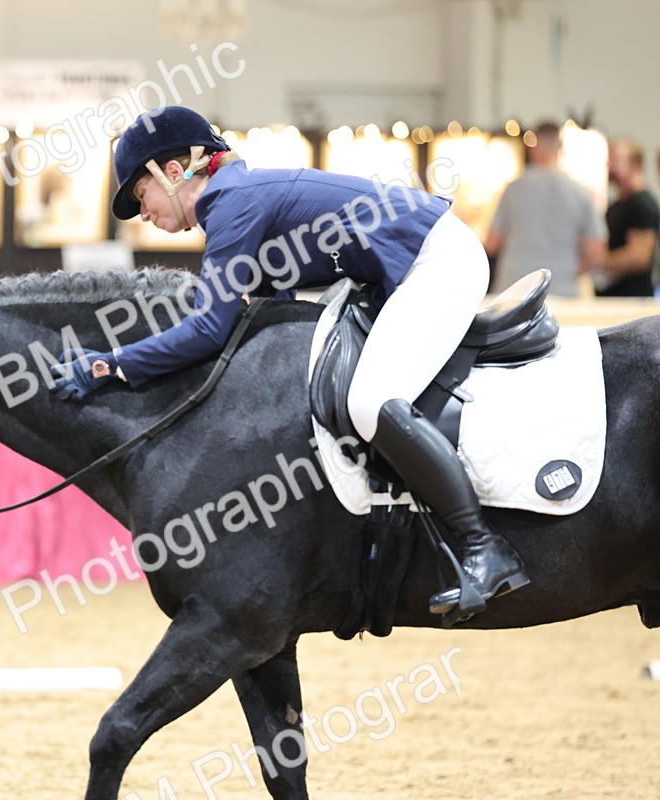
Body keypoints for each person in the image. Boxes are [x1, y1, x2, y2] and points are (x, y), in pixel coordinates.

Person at [50, 106, 529, 621]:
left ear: (171, 172)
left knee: (369, 401)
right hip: (415, 262)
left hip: (438, 262)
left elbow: (210, 329)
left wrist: (112, 366)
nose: (142, 213)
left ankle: (483, 547)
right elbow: (265, 314)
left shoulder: (231, 204)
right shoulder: (238, 199)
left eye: (139, 196)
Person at [485, 121, 605, 297]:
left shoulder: (513, 189)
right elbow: (596, 253)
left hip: (513, 287)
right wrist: (568, 269)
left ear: (533, 148)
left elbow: (492, 243)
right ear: (561, 148)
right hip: (561, 288)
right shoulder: (580, 192)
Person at [596, 138, 659, 297]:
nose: (610, 165)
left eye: (616, 159)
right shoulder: (616, 205)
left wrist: (600, 263)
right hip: (611, 297)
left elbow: (639, 256)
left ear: (635, 165)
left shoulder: (643, 204)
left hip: (632, 300)